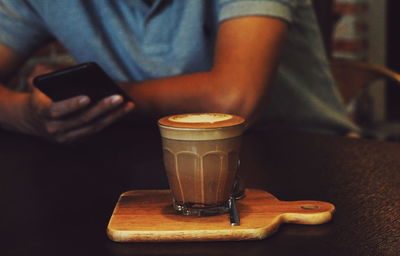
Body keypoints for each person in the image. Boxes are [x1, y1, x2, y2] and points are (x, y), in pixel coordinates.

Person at [0, 0, 358, 144]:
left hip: (299, 155)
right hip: (143, 161)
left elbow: (235, 99)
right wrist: (24, 114)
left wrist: (104, 98)